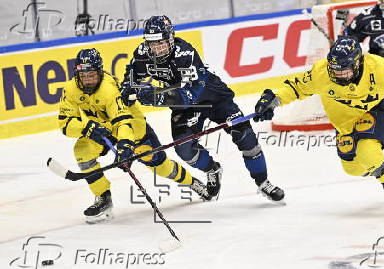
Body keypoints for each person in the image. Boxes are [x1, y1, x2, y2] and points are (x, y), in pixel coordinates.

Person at [254, 36, 384, 217]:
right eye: (334, 71)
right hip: (344, 124)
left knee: (368, 154)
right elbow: (296, 87)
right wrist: (273, 100)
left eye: (344, 71)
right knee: (352, 168)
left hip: (373, 111)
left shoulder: (381, 68)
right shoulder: (322, 72)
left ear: (358, 62)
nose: (338, 75)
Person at [121, 15, 285, 203]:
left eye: (162, 43)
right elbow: (131, 76)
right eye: (153, 44)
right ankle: (212, 169)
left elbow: (191, 93)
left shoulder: (185, 53)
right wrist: (128, 89)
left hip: (214, 99)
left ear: (171, 38)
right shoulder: (142, 53)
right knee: (184, 150)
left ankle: (263, 182)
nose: (157, 49)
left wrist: (158, 97)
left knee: (245, 136)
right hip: (185, 107)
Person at [58, 48, 209, 224]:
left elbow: (123, 122)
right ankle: (103, 198)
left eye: (92, 75)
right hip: (103, 131)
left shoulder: (109, 90)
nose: (88, 80)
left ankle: (192, 182)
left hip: (134, 130)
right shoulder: (70, 89)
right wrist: (87, 128)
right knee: (82, 150)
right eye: (83, 75)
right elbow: (64, 124)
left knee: (161, 168)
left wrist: (125, 146)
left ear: (99, 72)